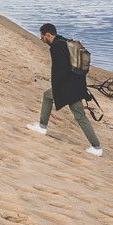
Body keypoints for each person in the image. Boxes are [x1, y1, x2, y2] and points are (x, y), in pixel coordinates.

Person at [27, 23, 102, 155]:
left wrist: (58, 88)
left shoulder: (56, 47)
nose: (41, 39)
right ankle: (42, 126)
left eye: (42, 36)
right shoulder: (65, 41)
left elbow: (59, 71)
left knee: (78, 115)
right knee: (50, 97)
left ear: (49, 35)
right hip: (76, 84)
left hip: (69, 87)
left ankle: (96, 147)